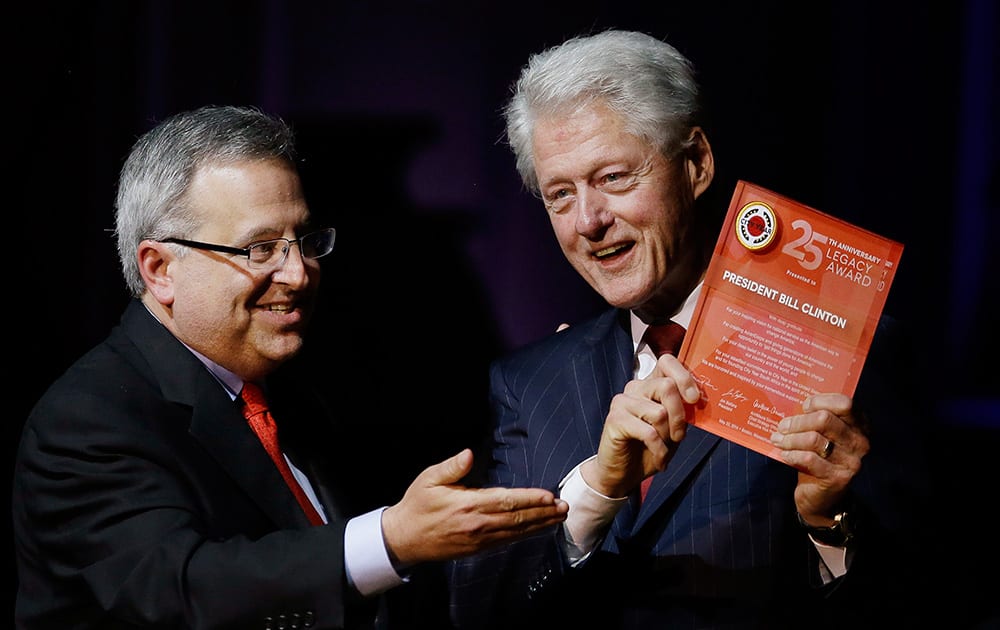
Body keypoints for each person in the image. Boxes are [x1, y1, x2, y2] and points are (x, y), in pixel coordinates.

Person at [11, 104, 568, 629]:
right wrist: (391, 538)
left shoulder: (292, 397)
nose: (299, 273)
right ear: (159, 269)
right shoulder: (88, 419)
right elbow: (180, 592)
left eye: (303, 241)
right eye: (259, 249)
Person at [449, 29, 935, 629]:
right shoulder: (529, 380)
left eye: (614, 178)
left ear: (696, 164)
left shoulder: (844, 349)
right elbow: (477, 608)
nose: (590, 221)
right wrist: (598, 491)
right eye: (560, 195)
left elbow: (925, 598)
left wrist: (828, 521)